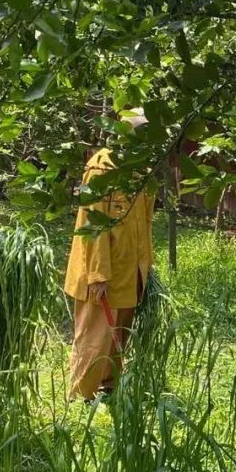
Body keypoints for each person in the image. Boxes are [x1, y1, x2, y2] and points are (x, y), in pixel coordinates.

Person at [63, 113, 155, 401]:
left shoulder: (142, 169)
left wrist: (146, 267)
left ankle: (109, 384)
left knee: (119, 333)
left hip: (131, 271)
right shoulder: (101, 168)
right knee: (95, 336)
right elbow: (92, 224)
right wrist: (98, 274)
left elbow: (146, 221)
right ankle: (81, 395)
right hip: (103, 273)